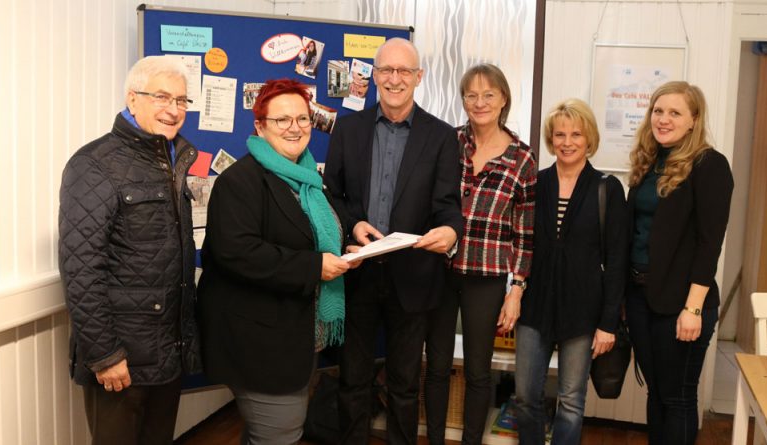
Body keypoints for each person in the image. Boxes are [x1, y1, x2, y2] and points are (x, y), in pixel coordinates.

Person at [197, 78, 355, 445]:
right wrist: (316, 267)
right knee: (280, 434)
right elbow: (236, 253)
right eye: (282, 120)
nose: (295, 128)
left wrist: (349, 239)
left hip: (297, 335)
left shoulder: (309, 181)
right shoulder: (241, 181)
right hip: (260, 341)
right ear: (260, 126)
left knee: (267, 433)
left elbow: (316, 233)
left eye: (302, 119)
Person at [324, 37, 463, 444]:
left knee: (404, 385)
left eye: (404, 71)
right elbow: (332, 193)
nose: (395, 79)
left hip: (414, 277)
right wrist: (353, 226)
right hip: (358, 272)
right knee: (353, 379)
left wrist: (452, 232)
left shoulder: (440, 137)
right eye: (386, 70)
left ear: (419, 78)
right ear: (375, 75)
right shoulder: (347, 129)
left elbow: (448, 206)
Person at [58, 55, 202, 445]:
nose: (173, 110)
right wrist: (105, 355)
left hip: (165, 356)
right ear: (132, 98)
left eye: (182, 100)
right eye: (161, 97)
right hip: (121, 361)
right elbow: (81, 268)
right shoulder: (95, 164)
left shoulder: (172, 160)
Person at [423, 63, 537, 445]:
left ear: (504, 98)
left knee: (477, 371)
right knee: (436, 366)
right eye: (471, 95)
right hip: (439, 269)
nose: (479, 102)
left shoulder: (522, 159)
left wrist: (516, 289)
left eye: (489, 94)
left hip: (485, 278)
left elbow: (525, 233)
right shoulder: (447, 142)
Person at [515, 98, 628, 445]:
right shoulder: (537, 183)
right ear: (551, 139)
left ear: (589, 137)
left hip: (583, 311)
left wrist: (608, 322)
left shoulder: (606, 189)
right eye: (560, 134)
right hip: (535, 308)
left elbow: (618, 260)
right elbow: (521, 243)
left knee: (570, 402)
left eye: (576, 134)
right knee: (525, 398)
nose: (567, 142)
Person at [625, 81, 733, 444]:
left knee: (678, 397)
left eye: (675, 112)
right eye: (658, 110)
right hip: (641, 298)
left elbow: (709, 244)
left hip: (683, 304)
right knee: (656, 393)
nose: (663, 119)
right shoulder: (649, 161)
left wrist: (694, 308)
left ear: (693, 120)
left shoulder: (709, 165)